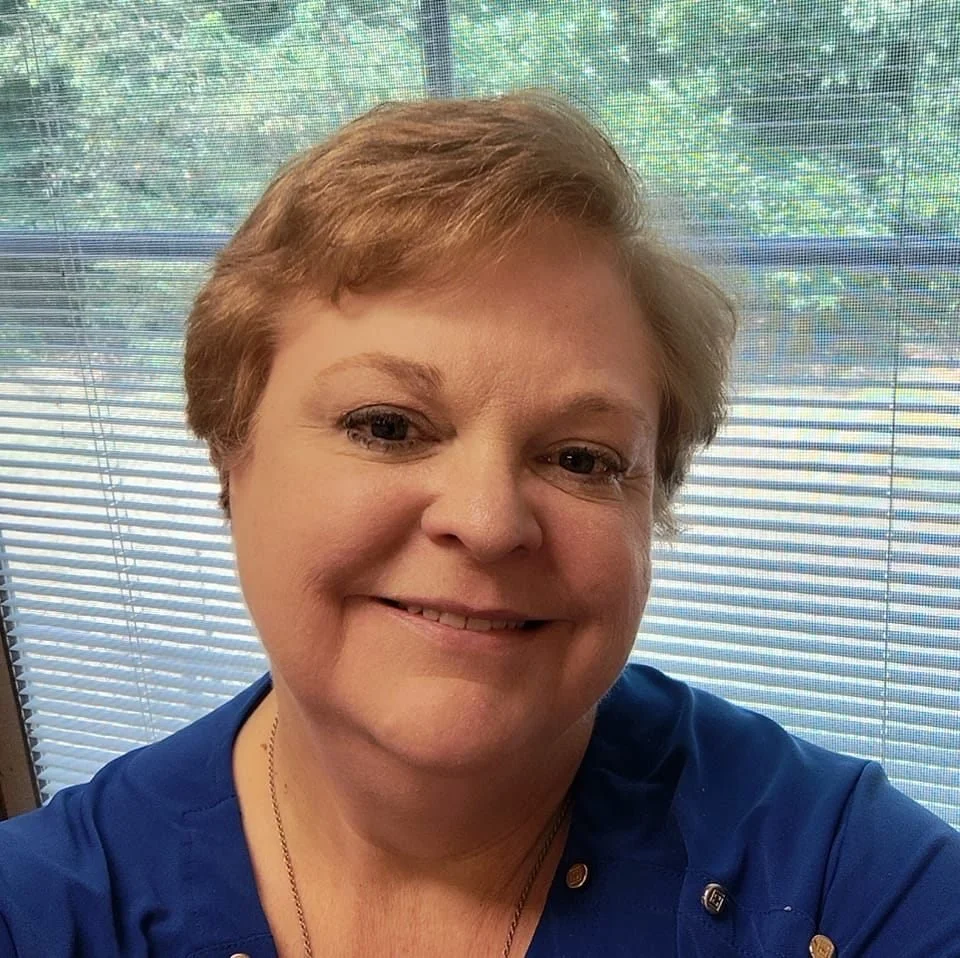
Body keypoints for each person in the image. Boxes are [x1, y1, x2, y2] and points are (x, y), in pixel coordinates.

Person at [1, 91, 958, 958]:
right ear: (230, 452)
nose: (490, 521)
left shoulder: (846, 889)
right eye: (386, 426)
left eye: (581, 458)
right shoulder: (46, 908)